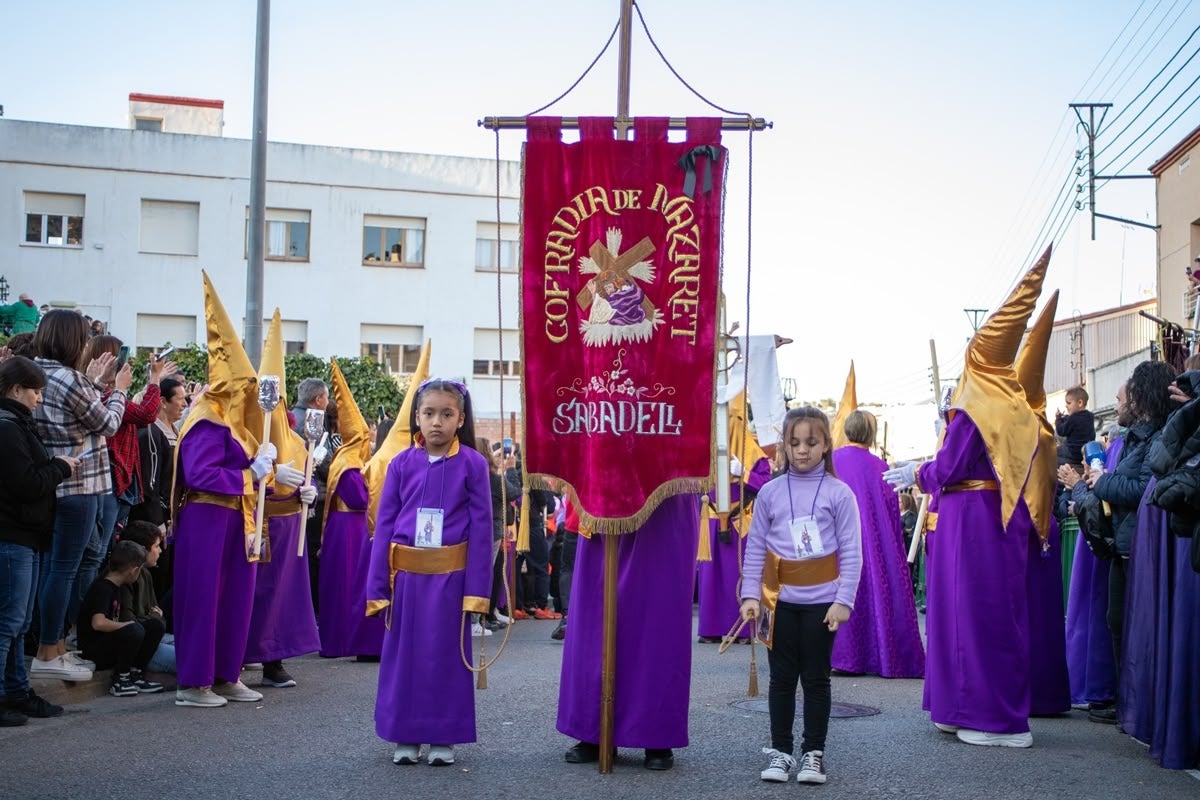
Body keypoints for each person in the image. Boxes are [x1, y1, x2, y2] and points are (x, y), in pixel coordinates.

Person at [884, 251, 1053, 748]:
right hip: (995, 517)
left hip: (974, 520)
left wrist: (918, 470)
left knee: (973, 614)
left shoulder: (977, 404)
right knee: (988, 612)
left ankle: (990, 716)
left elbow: (952, 466)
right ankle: (964, 706)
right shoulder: (1016, 402)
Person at [365, 378, 493, 766]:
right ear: (416, 417)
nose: (437, 422)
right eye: (429, 413)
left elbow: (482, 529)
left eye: (446, 414)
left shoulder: (474, 464)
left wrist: (477, 592)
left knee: (445, 658)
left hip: (451, 582)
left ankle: (443, 736)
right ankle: (405, 734)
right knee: (404, 658)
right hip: (406, 581)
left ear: (461, 418)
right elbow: (384, 523)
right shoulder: (401, 463)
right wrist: (377, 584)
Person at [739, 406, 862, 784]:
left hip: (822, 605)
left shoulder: (840, 493)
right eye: (794, 442)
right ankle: (780, 752)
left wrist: (843, 601)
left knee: (816, 679)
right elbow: (756, 546)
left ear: (826, 444)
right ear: (785, 447)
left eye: (811, 442)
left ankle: (813, 753)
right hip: (778, 603)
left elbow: (852, 550)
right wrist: (750, 596)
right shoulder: (771, 492)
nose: (802, 449)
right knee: (780, 679)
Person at [172, 272, 277, 708]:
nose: (248, 394)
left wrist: (273, 471)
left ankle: (226, 674)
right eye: (243, 386)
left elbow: (250, 471)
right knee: (203, 599)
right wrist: (253, 472)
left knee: (235, 599)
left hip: (237, 518)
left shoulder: (236, 424)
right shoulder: (205, 419)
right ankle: (193, 683)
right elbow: (201, 475)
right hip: (208, 517)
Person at [30, 309, 130, 681]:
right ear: (73, 341)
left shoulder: (35, 373)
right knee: (64, 570)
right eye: (85, 338)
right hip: (81, 484)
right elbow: (108, 423)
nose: (88, 343)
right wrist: (117, 391)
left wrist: (95, 386)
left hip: (50, 482)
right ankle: (48, 651)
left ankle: (53, 647)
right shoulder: (70, 379)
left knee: (53, 568)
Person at [0, 356, 78, 725]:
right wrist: (61, 467)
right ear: (16, 389)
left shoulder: (16, 423)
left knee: (18, 621)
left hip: (24, 536)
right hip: (12, 536)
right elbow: (27, 484)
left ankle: (17, 692)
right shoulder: (7, 428)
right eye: (35, 391)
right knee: (9, 623)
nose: (40, 399)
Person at [243, 311, 319, 690]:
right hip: (256, 524)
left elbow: (309, 476)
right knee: (253, 593)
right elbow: (242, 473)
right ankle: (240, 656)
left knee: (283, 596)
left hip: (290, 526)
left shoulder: (297, 439)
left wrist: (309, 493)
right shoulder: (247, 433)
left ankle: (275, 659)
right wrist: (270, 477)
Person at [829, 410, 923, 678]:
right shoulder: (879, 466)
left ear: (847, 430)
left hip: (838, 540)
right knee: (874, 595)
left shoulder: (832, 461)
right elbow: (891, 512)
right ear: (870, 434)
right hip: (873, 544)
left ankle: (842, 656)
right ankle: (876, 655)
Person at [317, 360, 376, 658]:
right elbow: (358, 498)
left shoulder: (349, 457)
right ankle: (339, 641)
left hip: (351, 527)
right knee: (344, 584)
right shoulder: (348, 460)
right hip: (348, 527)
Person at [76, 540, 165, 697]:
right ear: (134, 570)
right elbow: (98, 623)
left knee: (154, 626)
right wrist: (128, 626)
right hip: (94, 651)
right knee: (134, 629)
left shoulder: (118, 586)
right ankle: (120, 679)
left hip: (110, 644)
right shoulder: (102, 588)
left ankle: (135, 672)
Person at [119, 521, 175, 673]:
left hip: (155, 637)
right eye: (156, 546)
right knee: (195, 660)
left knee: (209, 650)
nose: (160, 551)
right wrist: (154, 618)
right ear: (142, 550)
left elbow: (157, 615)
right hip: (142, 645)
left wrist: (155, 618)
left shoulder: (146, 574)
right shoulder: (124, 578)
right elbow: (129, 623)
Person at [1055, 385, 1095, 467]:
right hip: (1085, 452)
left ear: (1080, 403)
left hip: (1072, 451)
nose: (1066, 406)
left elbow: (1061, 431)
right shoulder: (1090, 417)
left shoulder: (1073, 419)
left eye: (1069, 403)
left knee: (1052, 453)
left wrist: (1058, 419)